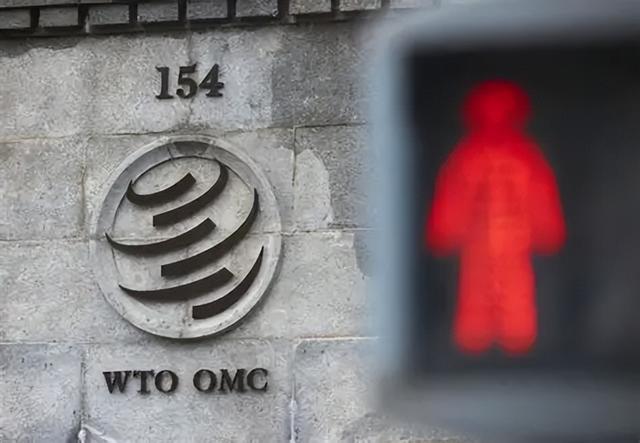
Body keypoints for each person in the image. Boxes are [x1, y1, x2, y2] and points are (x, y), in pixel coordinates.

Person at [425, 79, 566, 355]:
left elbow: (540, 194)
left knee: (517, 294)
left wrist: (547, 229)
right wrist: (446, 231)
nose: (495, 119)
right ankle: (473, 345)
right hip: (476, 240)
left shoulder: (526, 156)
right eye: (489, 112)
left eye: (502, 112)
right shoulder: (466, 156)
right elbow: (452, 195)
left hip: (516, 239)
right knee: (475, 293)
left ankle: (519, 343)